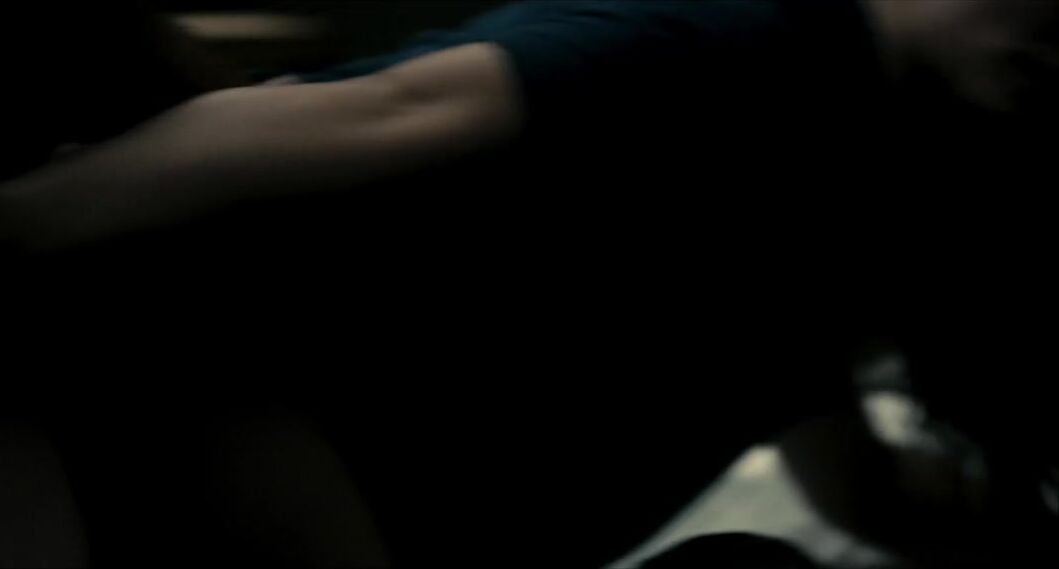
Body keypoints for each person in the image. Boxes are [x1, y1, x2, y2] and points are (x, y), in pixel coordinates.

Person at [1, 1, 1057, 566]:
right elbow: (386, 110)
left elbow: (854, 480)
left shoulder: (866, 190)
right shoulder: (744, 39)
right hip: (239, 466)